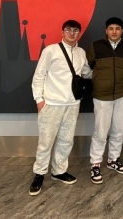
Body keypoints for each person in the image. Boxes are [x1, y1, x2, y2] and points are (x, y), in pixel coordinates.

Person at [29, 20, 92, 196]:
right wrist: (39, 99)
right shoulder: (51, 50)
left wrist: (106, 73)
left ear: (79, 33)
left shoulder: (81, 53)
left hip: (72, 104)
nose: (72, 33)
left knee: (66, 140)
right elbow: (39, 75)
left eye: (75, 30)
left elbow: (86, 72)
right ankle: (39, 174)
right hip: (51, 104)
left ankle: (59, 171)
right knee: (46, 142)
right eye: (68, 30)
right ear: (62, 32)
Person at [86, 17, 123, 184]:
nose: (114, 31)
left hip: (122, 94)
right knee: (100, 131)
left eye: (117, 28)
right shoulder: (96, 46)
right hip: (102, 96)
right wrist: (97, 79)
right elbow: (86, 67)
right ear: (106, 31)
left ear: (122, 30)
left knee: (119, 130)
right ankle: (95, 163)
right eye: (111, 28)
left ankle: (113, 160)